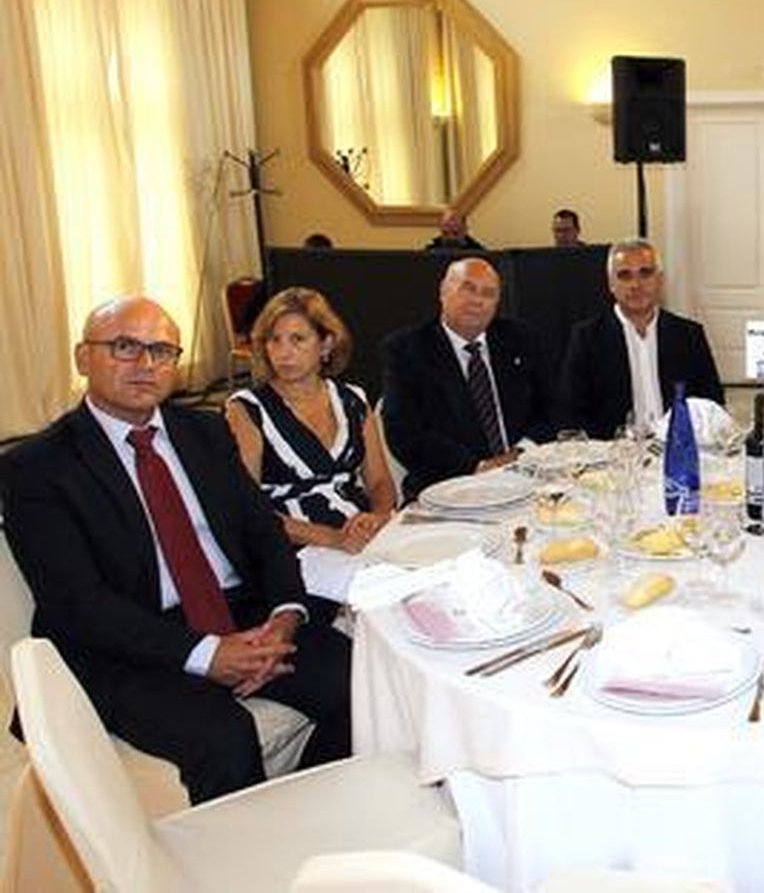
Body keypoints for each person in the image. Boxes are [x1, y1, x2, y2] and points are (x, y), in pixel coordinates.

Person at [0, 297, 352, 803]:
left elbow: (263, 532)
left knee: (358, 678)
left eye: (162, 351)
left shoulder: (205, 431)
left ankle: (308, 816)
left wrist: (284, 617)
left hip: (236, 610)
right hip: (124, 644)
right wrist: (206, 654)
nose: (146, 365)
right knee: (224, 737)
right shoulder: (37, 466)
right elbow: (76, 603)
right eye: (125, 347)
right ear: (82, 358)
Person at [225, 288, 396, 556]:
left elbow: (379, 482)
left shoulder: (353, 399)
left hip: (359, 533)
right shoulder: (247, 409)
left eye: (297, 340)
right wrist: (333, 538)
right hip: (290, 546)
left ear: (326, 344)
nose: (284, 353)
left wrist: (379, 517)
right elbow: (247, 507)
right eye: (274, 340)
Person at [381, 258, 555, 501]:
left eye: (489, 293)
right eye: (468, 288)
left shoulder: (522, 339)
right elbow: (404, 432)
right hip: (449, 488)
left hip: (526, 479)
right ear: (443, 291)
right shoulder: (407, 350)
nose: (477, 300)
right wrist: (479, 467)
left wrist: (522, 452)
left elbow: (551, 407)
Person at [559, 239, 724, 438]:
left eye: (645, 273)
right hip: (616, 454)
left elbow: (712, 402)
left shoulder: (689, 334)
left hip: (677, 448)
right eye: (624, 276)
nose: (636, 285)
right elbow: (571, 411)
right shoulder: (587, 338)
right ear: (611, 284)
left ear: (660, 280)